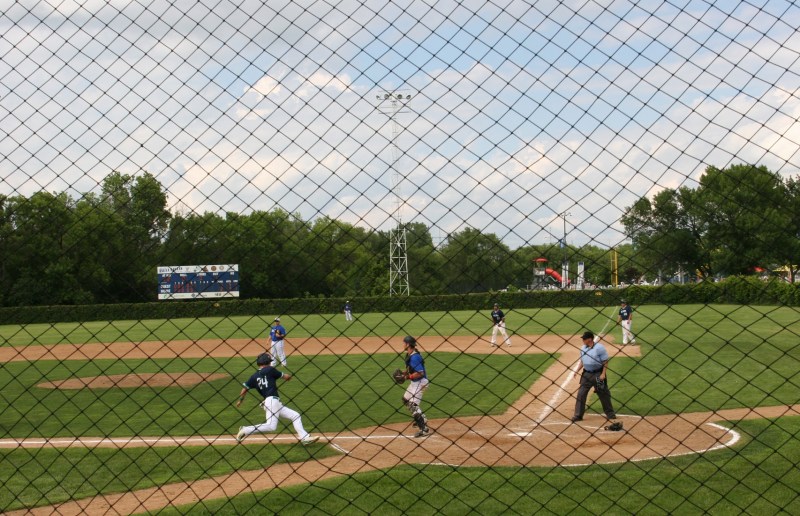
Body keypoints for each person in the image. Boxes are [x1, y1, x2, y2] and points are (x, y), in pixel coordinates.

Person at [235, 353, 319, 444]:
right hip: (272, 401)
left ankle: (305, 438)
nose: (270, 363)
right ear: (266, 362)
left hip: (273, 403)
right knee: (271, 426)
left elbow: (244, 389)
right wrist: (289, 377)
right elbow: (285, 376)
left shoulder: (254, 376)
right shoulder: (270, 370)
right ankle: (245, 430)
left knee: (295, 415)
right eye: (269, 362)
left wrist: (240, 400)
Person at [572, 331, 617, 423]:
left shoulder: (599, 348)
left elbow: (605, 361)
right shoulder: (583, 348)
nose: (583, 340)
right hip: (586, 375)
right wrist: (576, 371)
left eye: (584, 339)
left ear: (590, 339)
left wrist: (603, 374)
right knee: (581, 393)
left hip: (598, 374)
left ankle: (610, 413)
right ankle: (578, 415)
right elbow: (582, 361)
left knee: (603, 393)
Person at [400, 335, 431, 438]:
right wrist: (404, 373)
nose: (403, 344)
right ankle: (423, 418)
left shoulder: (415, 357)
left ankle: (424, 429)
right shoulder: (410, 354)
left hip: (420, 382)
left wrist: (407, 377)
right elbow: (411, 369)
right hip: (415, 382)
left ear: (408, 344)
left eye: (404, 343)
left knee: (413, 405)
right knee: (406, 399)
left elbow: (420, 373)